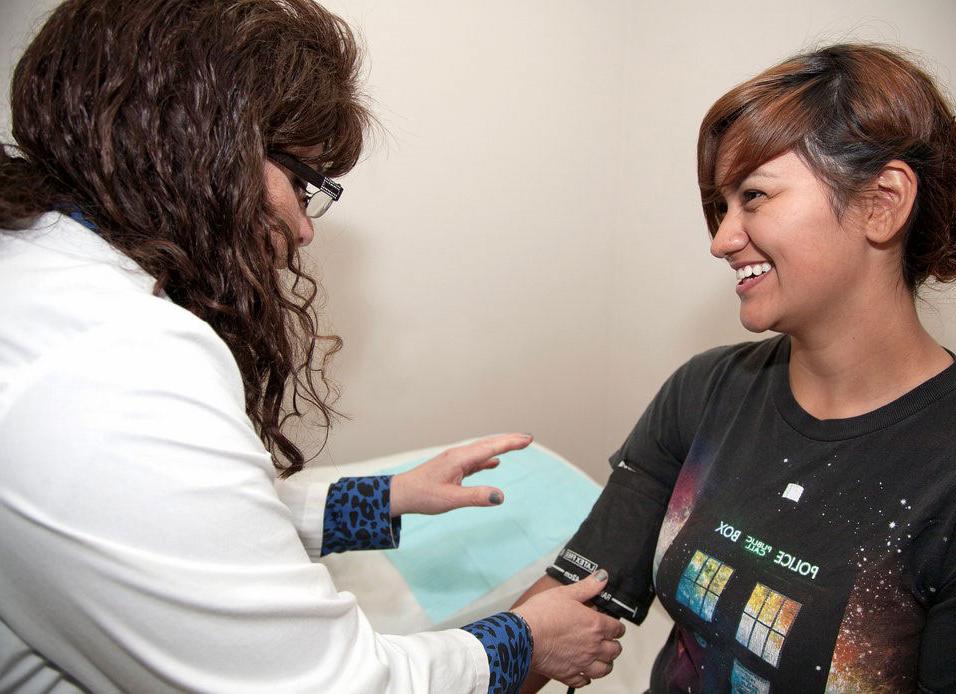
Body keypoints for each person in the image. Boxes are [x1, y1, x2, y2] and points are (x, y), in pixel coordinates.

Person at [0, 1, 624, 692]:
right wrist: (526, 641)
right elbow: (328, 684)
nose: (304, 229)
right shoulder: (113, 361)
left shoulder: (37, 281)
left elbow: (179, 528)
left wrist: (384, 498)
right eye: (301, 183)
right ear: (202, 143)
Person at [515, 44, 956, 693]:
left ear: (882, 201)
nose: (721, 240)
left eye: (754, 197)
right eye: (721, 205)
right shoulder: (705, 394)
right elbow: (571, 601)